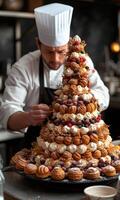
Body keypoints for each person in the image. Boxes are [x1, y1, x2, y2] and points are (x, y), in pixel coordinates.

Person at [0, 3, 109, 147]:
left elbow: (104, 95)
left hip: (78, 145)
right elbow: (7, 114)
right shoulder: (23, 68)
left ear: (69, 46)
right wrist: (28, 117)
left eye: (62, 51)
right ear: (38, 44)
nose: (56, 59)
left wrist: (84, 100)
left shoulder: (82, 62)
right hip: (37, 149)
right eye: (50, 52)